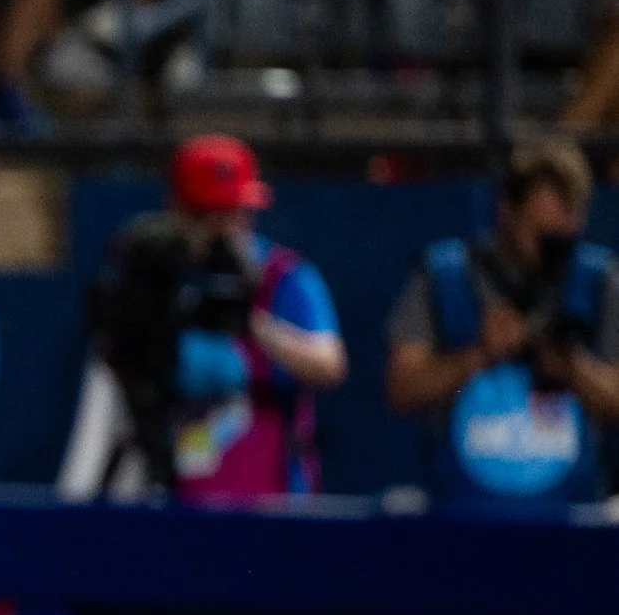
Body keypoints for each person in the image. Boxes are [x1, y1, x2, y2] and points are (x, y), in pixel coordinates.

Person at [71, 135, 346, 503]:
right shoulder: (154, 281)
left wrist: (255, 326)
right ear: (177, 211)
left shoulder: (284, 277)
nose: (226, 227)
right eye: (209, 215)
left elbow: (330, 365)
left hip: (271, 503)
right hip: (172, 497)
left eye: (236, 212)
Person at [386, 138, 619, 509]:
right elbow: (402, 389)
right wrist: (480, 354)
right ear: (507, 210)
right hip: (465, 516)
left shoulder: (601, 282)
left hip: (572, 520)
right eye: (539, 234)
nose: (552, 252)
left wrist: (570, 365)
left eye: (565, 238)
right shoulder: (443, 275)